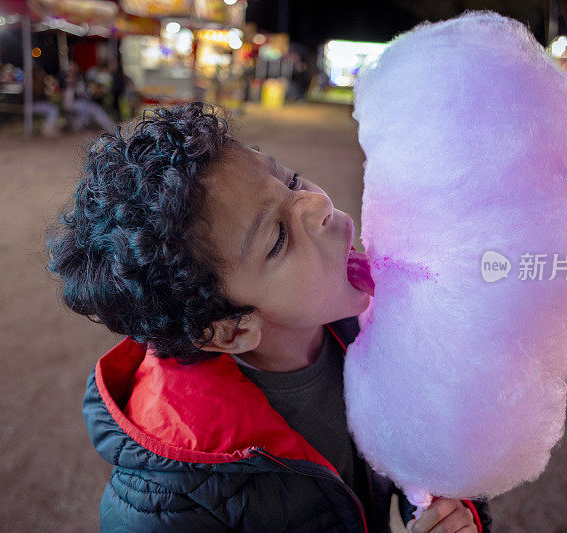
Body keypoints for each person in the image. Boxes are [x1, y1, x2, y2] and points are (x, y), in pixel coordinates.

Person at [45, 103, 492, 532]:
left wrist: (456, 507)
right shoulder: (172, 495)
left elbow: (424, 456)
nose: (317, 205)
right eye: (277, 239)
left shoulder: (375, 328)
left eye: (291, 181)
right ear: (232, 329)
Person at [61, 61, 116, 132]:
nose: (73, 69)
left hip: (80, 103)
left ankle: (77, 126)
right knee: (94, 108)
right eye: (71, 67)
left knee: (88, 111)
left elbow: (84, 93)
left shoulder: (80, 77)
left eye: (74, 67)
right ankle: (110, 127)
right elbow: (66, 91)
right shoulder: (65, 77)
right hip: (70, 103)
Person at [32, 65, 59, 137]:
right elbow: (37, 97)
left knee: (53, 108)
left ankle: (47, 128)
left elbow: (45, 97)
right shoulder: (33, 83)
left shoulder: (40, 82)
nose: (42, 74)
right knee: (53, 109)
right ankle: (48, 130)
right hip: (32, 105)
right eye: (40, 72)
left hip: (38, 104)